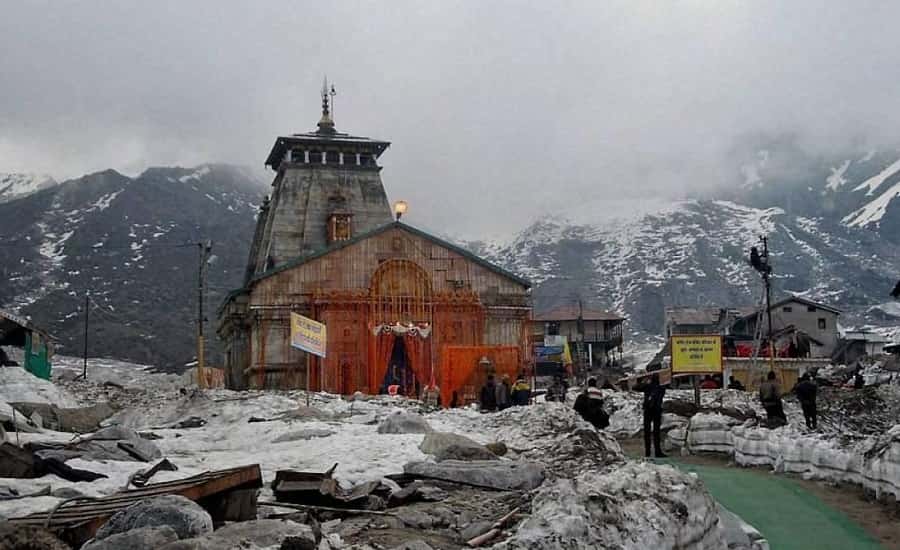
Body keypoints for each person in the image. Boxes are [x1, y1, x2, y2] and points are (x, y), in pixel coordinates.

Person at [635, 373, 667, 458]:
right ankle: (657, 451)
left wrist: (642, 381)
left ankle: (647, 452)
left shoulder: (647, 386)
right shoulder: (661, 388)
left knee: (647, 432)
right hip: (657, 411)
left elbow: (635, 387)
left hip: (647, 411)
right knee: (656, 432)